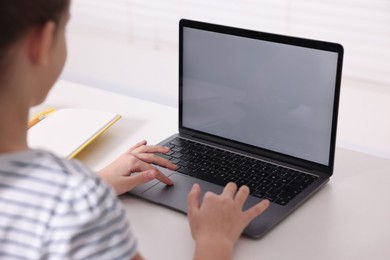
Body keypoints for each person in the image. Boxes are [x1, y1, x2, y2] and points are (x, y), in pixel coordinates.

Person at [0, 0, 270, 259]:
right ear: (41, 42)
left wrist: (99, 182)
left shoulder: (63, 200)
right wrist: (215, 240)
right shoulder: (73, 203)